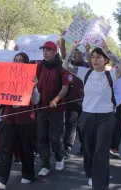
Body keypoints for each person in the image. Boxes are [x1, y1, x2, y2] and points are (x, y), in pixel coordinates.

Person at [62, 41, 121, 189]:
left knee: (101, 151)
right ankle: (90, 174)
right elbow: (65, 66)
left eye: (99, 57)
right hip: (87, 117)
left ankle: (100, 184)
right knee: (89, 150)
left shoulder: (111, 74)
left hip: (106, 118)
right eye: (93, 57)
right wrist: (73, 47)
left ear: (105, 61)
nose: (95, 59)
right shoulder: (86, 72)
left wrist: (108, 51)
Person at [0, 52, 40, 189]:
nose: (18, 63)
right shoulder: (7, 78)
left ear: (27, 63)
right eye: (16, 60)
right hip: (9, 119)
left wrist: (34, 87)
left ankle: (28, 174)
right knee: (5, 148)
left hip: (25, 120)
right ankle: (1, 179)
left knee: (26, 149)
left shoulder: (32, 79)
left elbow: (35, 100)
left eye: (21, 60)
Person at [35, 41, 74, 177]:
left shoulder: (62, 67)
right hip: (41, 108)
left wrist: (56, 100)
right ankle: (45, 165)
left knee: (55, 137)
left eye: (48, 50)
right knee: (41, 137)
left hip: (57, 110)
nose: (45, 52)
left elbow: (65, 87)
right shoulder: (39, 66)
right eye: (43, 50)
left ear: (55, 52)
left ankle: (59, 156)